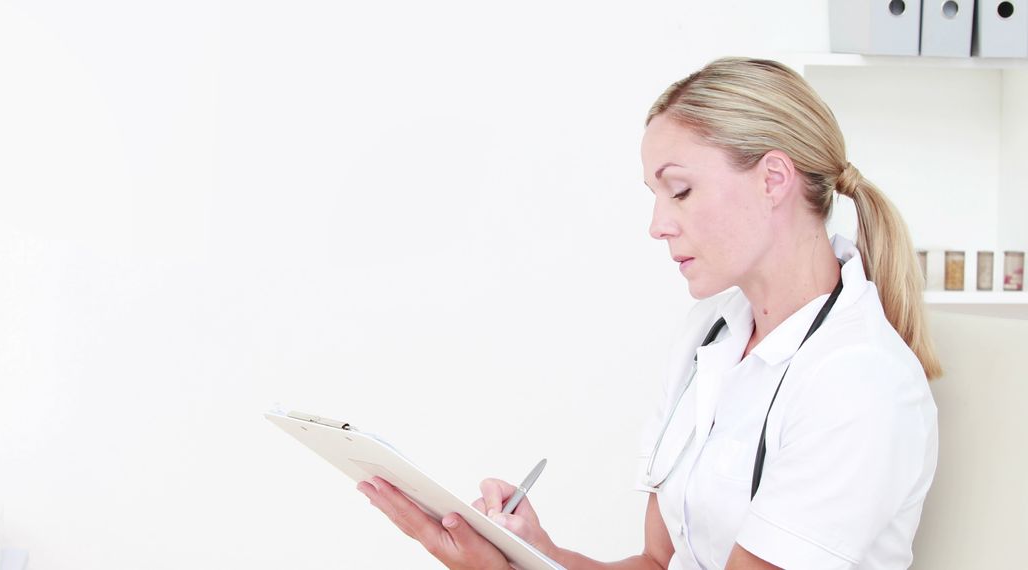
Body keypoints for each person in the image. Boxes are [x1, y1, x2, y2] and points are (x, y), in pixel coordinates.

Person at [356, 57, 941, 570]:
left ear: (774, 179)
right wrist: (535, 557)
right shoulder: (708, 334)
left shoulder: (858, 380)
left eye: (680, 191)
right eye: (655, 197)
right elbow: (660, 563)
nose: (658, 225)